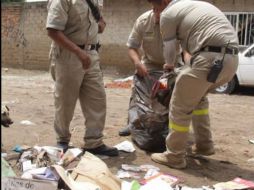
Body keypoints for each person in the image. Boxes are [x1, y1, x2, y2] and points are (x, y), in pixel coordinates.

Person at [148, 0, 239, 169]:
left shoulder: (169, 14)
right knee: (199, 100)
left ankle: (174, 156)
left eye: (156, 7)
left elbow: (170, 48)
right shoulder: (195, 6)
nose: (155, 13)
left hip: (209, 58)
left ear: (166, 3)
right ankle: (205, 145)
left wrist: (169, 66)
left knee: (179, 106)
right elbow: (192, 51)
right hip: (231, 62)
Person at [46, 0, 119, 156]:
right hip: (68, 55)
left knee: (97, 98)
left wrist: (100, 25)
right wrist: (78, 53)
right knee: (66, 101)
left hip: (91, 53)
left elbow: (98, 26)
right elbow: (52, 31)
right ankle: (62, 140)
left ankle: (94, 143)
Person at [118, 6, 183, 136]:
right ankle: (133, 123)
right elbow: (131, 47)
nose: (158, 14)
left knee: (167, 95)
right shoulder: (143, 21)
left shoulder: (179, 21)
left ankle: (168, 127)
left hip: (172, 65)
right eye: (156, 10)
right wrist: (137, 63)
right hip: (150, 64)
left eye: (162, 11)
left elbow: (187, 48)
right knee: (138, 89)